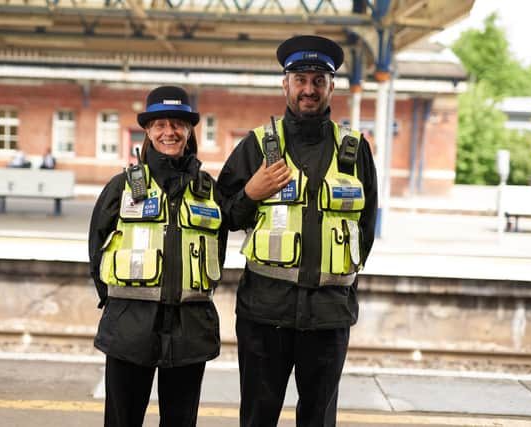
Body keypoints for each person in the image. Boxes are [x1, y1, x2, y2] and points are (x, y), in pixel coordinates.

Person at [217, 35, 378, 427]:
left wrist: (341, 286)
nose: (309, 89)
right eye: (301, 79)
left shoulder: (354, 150)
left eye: (318, 80)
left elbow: (365, 230)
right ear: (284, 83)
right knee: (258, 417)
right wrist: (250, 194)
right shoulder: (256, 146)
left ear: (331, 86)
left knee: (319, 419)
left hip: (327, 316)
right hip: (263, 314)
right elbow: (221, 217)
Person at [88, 86, 227, 427]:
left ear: (189, 130)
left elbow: (217, 252)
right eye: (160, 124)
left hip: (189, 329)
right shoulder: (121, 187)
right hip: (129, 327)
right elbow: (97, 248)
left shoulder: (208, 190)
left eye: (178, 123)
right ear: (148, 131)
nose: (169, 132)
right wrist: (120, 303)